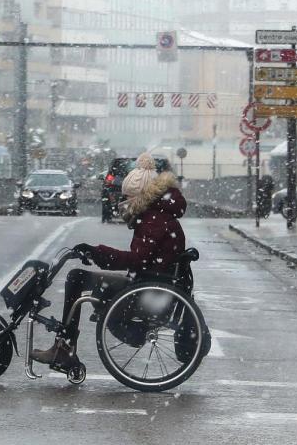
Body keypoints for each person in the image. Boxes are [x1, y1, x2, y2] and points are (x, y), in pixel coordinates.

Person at [30, 152, 187, 368]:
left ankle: (64, 348)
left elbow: (137, 259)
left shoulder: (155, 219)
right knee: (78, 277)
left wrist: (98, 253)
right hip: (149, 284)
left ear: (141, 197)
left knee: (76, 278)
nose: (123, 203)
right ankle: (64, 347)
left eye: (128, 198)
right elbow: (143, 259)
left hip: (146, 291)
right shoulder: (158, 215)